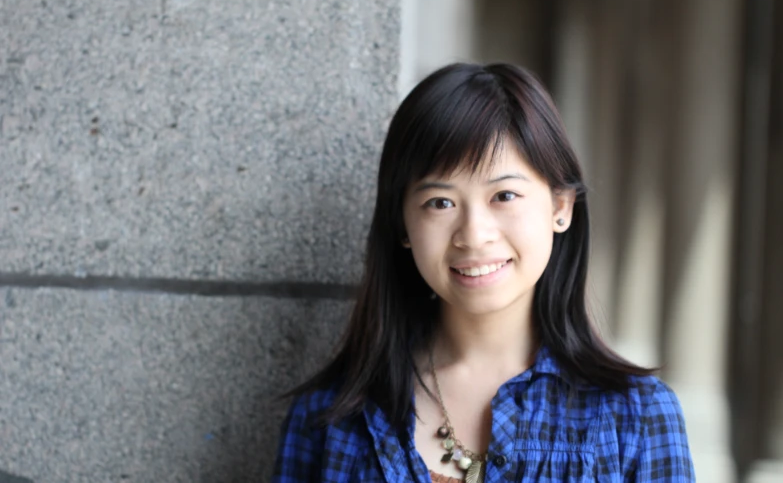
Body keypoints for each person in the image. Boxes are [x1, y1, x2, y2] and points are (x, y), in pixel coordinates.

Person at [272, 63, 694, 482]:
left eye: (504, 195)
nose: (473, 235)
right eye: (440, 202)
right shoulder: (331, 417)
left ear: (560, 207)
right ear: (402, 224)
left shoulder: (636, 417)